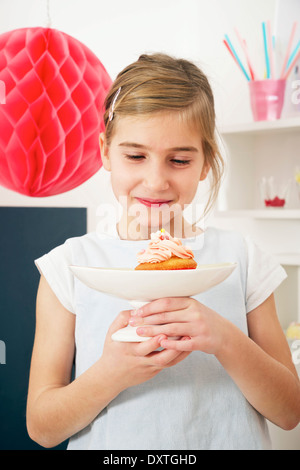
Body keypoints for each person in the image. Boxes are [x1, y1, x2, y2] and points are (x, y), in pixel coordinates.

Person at [26, 53, 300, 450]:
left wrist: (223, 338)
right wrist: (111, 372)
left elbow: (290, 412)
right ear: (105, 151)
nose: (155, 181)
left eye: (179, 160)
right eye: (135, 156)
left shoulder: (242, 258)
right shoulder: (68, 267)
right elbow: (42, 428)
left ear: (205, 161)